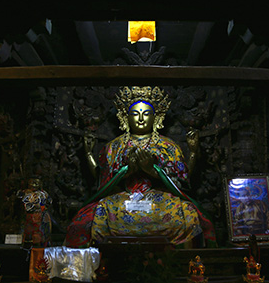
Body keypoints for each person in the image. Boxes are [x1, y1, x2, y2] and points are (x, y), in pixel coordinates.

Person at [64, 86, 216, 248]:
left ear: (156, 118)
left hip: (159, 200)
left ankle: (187, 261)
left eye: (146, 114)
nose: (141, 119)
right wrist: (127, 171)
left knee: (188, 214)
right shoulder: (114, 146)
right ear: (125, 118)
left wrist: (153, 171)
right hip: (123, 198)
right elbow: (102, 183)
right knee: (93, 216)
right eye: (135, 114)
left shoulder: (168, 146)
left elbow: (182, 183)